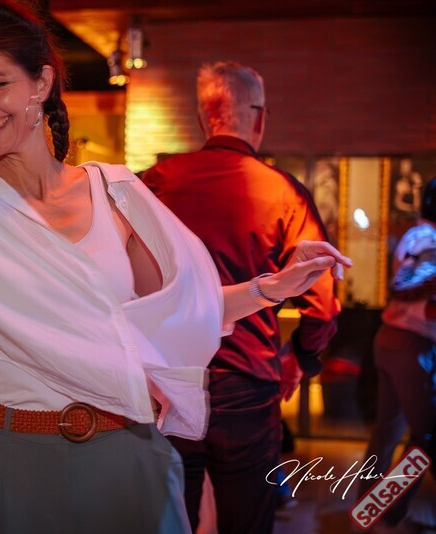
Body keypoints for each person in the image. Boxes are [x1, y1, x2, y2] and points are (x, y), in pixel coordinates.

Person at [0, 2, 351, 532]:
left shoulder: (116, 192)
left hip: (125, 457)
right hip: (7, 462)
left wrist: (269, 288)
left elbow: (173, 312)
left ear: (41, 83)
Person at [141, 61, 341, 533]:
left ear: (203, 118)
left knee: (170, 516)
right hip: (247, 385)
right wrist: (301, 358)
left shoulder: (156, 182)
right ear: (260, 117)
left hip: (168, 378)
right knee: (247, 519)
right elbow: (322, 300)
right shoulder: (283, 191)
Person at [356, 176, 436, 527]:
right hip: (409, 343)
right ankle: (389, 510)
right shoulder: (427, 237)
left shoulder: (421, 236)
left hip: (398, 341)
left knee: (388, 430)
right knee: (425, 435)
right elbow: (403, 286)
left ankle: (369, 508)